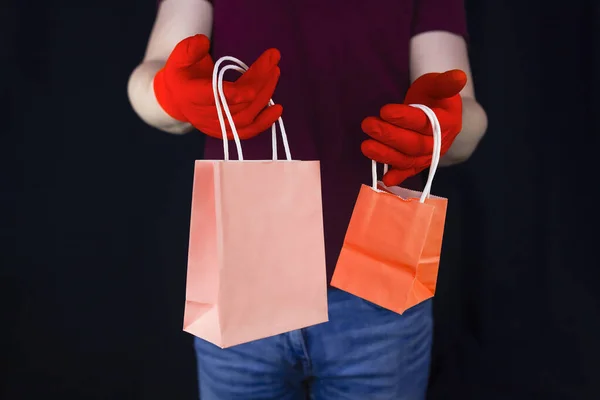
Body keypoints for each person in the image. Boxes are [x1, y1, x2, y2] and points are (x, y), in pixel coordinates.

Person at [128, 0, 488, 398]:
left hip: (384, 282)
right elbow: (153, 74)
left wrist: (445, 126)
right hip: (244, 274)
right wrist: (168, 93)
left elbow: (465, 111)